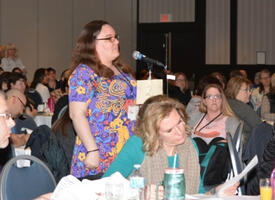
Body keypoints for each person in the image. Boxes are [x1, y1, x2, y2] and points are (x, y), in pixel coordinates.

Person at [104, 95, 238, 197]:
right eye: (169, 130)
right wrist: (139, 194)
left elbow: (197, 194)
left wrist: (216, 192)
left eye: (180, 122)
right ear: (154, 133)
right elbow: (104, 186)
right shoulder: (138, 145)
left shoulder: (189, 145)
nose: (180, 132)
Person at [69, 20, 136, 178]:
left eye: (116, 37)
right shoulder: (84, 73)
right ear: (92, 43)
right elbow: (77, 114)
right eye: (109, 38)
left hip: (126, 148)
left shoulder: (123, 71)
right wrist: (92, 150)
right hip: (100, 151)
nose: (116, 41)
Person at [188, 84, 240, 186]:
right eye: (210, 96)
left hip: (217, 172)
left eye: (217, 96)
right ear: (204, 101)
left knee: (219, 143)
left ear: (222, 100)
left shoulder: (231, 121)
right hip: (192, 166)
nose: (214, 100)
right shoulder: (194, 118)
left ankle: (205, 181)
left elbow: (235, 149)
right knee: (197, 142)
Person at [225, 76, 262, 148]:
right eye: (246, 90)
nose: (250, 93)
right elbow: (261, 128)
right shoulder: (243, 108)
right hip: (247, 148)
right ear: (235, 90)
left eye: (250, 90)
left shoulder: (225, 104)